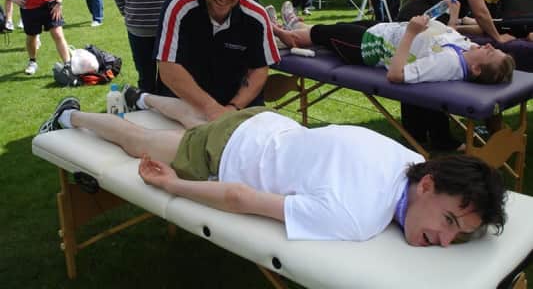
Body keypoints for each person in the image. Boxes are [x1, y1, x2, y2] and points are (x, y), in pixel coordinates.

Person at [39, 94, 507, 246]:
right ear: (428, 186)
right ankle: (69, 116)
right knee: (139, 142)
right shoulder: (358, 217)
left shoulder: (409, 161)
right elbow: (240, 198)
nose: (446, 240)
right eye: (449, 221)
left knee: (198, 122)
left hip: (268, 123)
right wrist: (173, 184)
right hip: (228, 152)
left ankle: (140, 96)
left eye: (459, 235)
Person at [397, 0, 515, 150]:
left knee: (414, 76)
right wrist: (498, 38)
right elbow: (481, 12)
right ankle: (440, 138)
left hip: (411, 18)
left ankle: (414, 135)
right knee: (434, 79)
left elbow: (462, 13)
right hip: (426, 27)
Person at [155, 0, 280, 121]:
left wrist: (232, 108)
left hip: (236, 108)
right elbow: (168, 68)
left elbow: (259, 69)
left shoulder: (256, 16)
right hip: (186, 105)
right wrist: (211, 108)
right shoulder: (179, 7)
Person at [276, 0, 515, 85]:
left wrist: (411, 32)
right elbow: (448, 34)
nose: (489, 46)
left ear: (476, 69)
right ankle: (289, 29)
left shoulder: (448, 64)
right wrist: (453, 14)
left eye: (490, 53)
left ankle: (282, 30)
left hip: (371, 46)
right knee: (329, 31)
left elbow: (396, 75)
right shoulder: (467, 50)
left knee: (319, 33)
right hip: (384, 31)